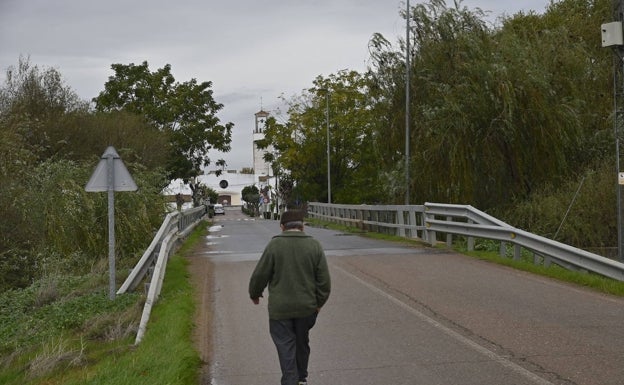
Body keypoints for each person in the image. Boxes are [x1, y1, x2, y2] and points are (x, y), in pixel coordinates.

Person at [249, 210, 331, 385]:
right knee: (302, 343)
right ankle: (301, 379)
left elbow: (260, 275)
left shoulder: (274, 246)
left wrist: (255, 293)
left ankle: (290, 380)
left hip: (280, 310)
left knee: (285, 346)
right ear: (303, 226)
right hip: (307, 308)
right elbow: (324, 282)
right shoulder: (314, 245)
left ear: (282, 227)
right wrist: (318, 304)